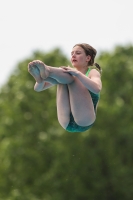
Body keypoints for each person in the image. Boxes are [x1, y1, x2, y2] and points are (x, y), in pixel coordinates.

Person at [28, 43, 102, 132]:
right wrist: (40, 82)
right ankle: (44, 75)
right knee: (65, 77)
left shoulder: (92, 72)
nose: (73, 55)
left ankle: (48, 71)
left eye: (78, 53)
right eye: (72, 54)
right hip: (66, 120)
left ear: (88, 58)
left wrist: (77, 74)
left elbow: (97, 88)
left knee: (72, 77)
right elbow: (37, 88)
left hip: (84, 120)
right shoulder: (68, 74)